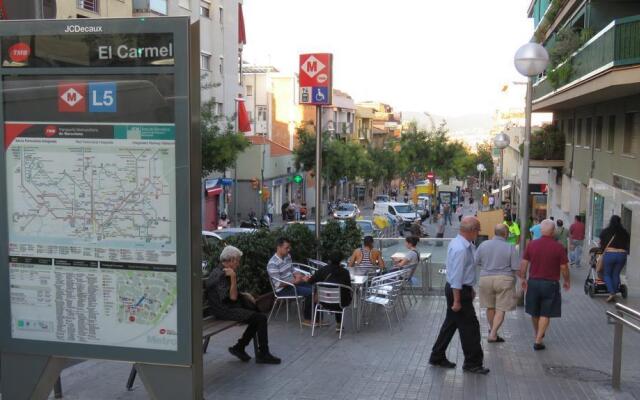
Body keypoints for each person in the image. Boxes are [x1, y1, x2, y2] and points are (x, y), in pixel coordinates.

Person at [429, 216, 489, 374]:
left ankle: (437, 356)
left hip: (461, 289)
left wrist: (470, 288)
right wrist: (457, 300)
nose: (479, 233)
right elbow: (456, 275)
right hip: (458, 291)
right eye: (478, 230)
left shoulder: (462, 244)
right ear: (471, 231)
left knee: (451, 324)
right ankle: (472, 363)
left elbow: (463, 272)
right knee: (471, 328)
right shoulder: (461, 248)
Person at [205, 246, 281, 364]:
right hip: (223, 310)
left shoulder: (222, 271)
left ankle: (240, 347)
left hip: (225, 307)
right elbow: (233, 297)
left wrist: (244, 294)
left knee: (258, 317)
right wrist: (234, 277)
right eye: (238, 260)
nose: (239, 264)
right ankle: (261, 353)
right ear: (231, 260)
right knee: (260, 318)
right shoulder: (222, 274)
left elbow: (229, 294)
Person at [518, 220, 570, 351]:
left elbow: (524, 263)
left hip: (534, 282)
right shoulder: (558, 247)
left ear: (541, 231)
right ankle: (538, 339)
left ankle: (538, 334)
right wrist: (567, 281)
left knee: (534, 311)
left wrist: (523, 278)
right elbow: (564, 267)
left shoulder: (532, 245)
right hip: (550, 284)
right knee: (545, 313)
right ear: (553, 232)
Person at [476, 224, 519, 343]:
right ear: (505, 234)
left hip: (485, 278)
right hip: (504, 279)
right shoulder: (510, 247)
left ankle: (492, 330)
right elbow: (515, 267)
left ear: (495, 232)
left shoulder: (483, 245)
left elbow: (476, 261)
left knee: (490, 306)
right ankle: (493, 333)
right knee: (501, 308)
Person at [266, 237, 314, 325]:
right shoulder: (273, 263)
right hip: (283, 289)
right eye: (286, 248)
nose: (289, 250)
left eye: (289, 247)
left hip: (292, 283)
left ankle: (316, 318)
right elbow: (278, 284)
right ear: (278, 247)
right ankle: (307, 319)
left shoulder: (287, 256)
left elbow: (292, 269)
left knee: (314, 287)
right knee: (311, 292)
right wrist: (294, 281)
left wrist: (300, 276)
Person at [306, 250, 353, 332]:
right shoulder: (345, 272)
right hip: (340, 303)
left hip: (323, 301)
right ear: (341, 260)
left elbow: (310, 282)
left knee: (336, 294)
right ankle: (339, 324)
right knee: (341, 294)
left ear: (329, 259)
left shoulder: (322, 270)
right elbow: (348, 287)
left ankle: (314, 319)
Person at [599, 215, 631, 302]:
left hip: (610, 254)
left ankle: (612, 292)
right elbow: (628, 246)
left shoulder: (605, 231)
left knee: (607, 274)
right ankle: (615, 291)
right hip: (622, 255)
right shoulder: (625, 232)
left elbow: (601, 245)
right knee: (616, 274)